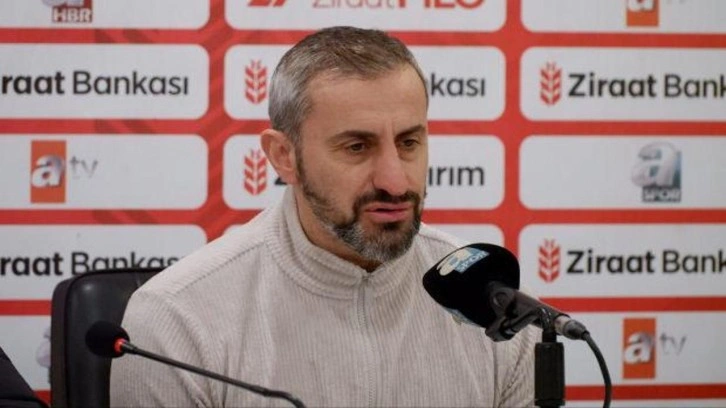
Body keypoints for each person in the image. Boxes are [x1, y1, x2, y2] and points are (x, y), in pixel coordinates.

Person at [111, 26, 538, 407]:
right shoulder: (177, 318)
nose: (395, 181)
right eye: (357, 147)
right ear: (284, 156)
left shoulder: (497, 306)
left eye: (409, 143)